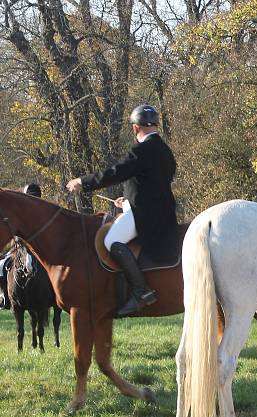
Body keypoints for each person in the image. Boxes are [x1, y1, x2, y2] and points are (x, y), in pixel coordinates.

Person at [66, 104, 178, 317]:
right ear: (156, 125)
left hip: (146, 216)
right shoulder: (165, 151)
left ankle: (141, 291)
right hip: (161, 212)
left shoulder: (141, 150)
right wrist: (128, 202)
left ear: (136, 128)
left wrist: (83, 181)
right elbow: (154, 186)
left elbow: (115, 173)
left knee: (111, 241)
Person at [0, 183, 43, 310]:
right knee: (0, 266)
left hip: (41, 251)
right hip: (19, 248)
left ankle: (56, 296)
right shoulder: (18, 214)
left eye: (35, 197)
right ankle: (5, 297)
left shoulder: (43, 212)